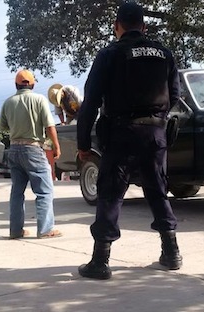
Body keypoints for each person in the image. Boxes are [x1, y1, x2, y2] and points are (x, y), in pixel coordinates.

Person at [76, 1, 182, 280]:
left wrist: (83, 143)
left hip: (121, 133)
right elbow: (175, 96)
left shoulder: (110, 53)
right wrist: (156, 119)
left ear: (117, 26)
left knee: (110, 194)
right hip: (155, 135)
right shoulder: (165, 54)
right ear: (144, 26)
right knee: (158, 190)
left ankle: (100, 261)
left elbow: (91, 102)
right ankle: (171, 253)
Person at [0, 69, 63, 239]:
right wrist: (56, 145)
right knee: (44, 191)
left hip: (14, 149)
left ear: (16, 84)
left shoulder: (8, 102)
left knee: (17, 192)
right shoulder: (39, 99)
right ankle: (45, 229)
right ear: (33, 84)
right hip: (33, 149)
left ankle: (15, 230)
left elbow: (3, 127)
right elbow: (49, 126)